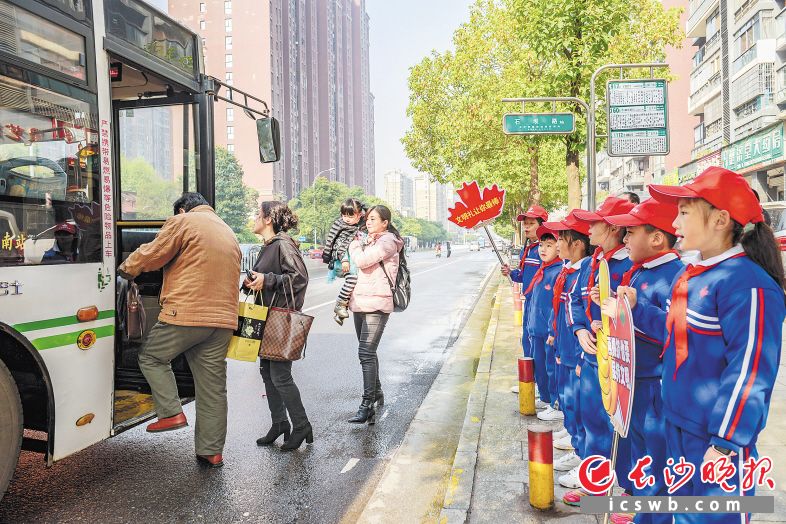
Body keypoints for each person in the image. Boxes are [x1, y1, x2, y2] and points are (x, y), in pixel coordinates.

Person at [625, 167, 786, 523]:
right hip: (678, 425)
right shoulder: (694, 274)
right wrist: (636, 308)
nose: (675, 222)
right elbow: (674, 335)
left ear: (721, 220)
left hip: (714, 441)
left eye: (684, 212)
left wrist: (725, 443)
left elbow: (750, 371)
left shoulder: (747, 285)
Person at [117, 192, 241, 469]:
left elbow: (153, 253)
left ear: (183, 209)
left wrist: (124, 270)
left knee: (151, 357)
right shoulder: (227, 230)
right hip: (222, 322)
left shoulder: (184, 221)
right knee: (212, 389)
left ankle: (171, 413)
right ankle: (212, 451)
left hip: (185, 314)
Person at [600, 199, 684, 524]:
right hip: (633, 384)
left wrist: (637, 310)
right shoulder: (641, 273)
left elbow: (677, 334)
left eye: (630, 232)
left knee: (657, 468)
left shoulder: (675, 277)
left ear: (656, 238)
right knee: (639, 458)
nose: (624, 239)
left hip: (656, 389)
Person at [559, 197, 635, 501]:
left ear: (614, 228)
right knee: (592, 422)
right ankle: (595, 486)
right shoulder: (593, 263)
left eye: (595, 223)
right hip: (592, 357)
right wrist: (579, 329)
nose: (589, 229)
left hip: (620, 361)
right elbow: (576, 301)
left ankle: (627, 494)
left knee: (619, 431)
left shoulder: (629, 265)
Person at [244, 201, 312, 451]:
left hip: (281, 319)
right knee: (267, 373)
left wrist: (267, 279)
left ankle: (301, 425)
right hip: (267, 318)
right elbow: (270, 278)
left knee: (280, 376)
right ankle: (280, 423)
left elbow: (299, 278)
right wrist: (254, 281)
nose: (254, 218)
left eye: (257, 214)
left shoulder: (283, 244)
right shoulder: (270, 246)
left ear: (268, 219)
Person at [540, 211, 593, 482]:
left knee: (582, 409)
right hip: (566, 348)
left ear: (578, 243)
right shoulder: (569, 270)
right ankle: (577, 446)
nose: (557, 244)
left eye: (562, 238)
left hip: (579, 353)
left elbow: (582, 311)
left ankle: (585, 460)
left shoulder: (586, 271)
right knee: (571, 403)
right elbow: (560, 307)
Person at [346, 205, 404, 424]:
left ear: (385, 223)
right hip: (360, 302)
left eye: (373, 219)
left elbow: (361, 261)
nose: (368, 222)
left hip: (377, 304)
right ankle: (377, 391)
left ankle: (367, 404)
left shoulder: (388, 242)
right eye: (367, 219)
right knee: (368, 352)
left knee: (365, 353)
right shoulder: (369, 241)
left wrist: (353, 245)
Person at [502, 205, 549, 394]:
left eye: (531, 223)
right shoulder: (527, 249)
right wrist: (511, 273)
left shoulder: (545, 249)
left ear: (542, 225)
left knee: (539, 343)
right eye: (525, 224)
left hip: (541, 305)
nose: (526, 227)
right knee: (527, 341)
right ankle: (529, 381)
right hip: (529, 301)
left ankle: (541, 385)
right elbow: (524, 274)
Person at [523, 226, 562, 413]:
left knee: (551, 369)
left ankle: (555, 403)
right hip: (536, 330)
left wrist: (553, 331)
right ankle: (546, 398)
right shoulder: (543, 269)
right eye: (541, 245)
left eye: (549, 245)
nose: (543, 249)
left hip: (548, 333)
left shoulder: (559, 272)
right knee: (540, 367)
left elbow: (556, 307)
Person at [322, 198, 367, 325]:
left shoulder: (359, 225)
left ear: (359, 215)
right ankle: (340, 305)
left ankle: (340, 314)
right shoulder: (340, 225)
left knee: (356, 283)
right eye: (344, 215)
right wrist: (344, 260)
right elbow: (337, 244)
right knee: (352, 279)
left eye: (350, 216)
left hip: (353, 259)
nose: (346, 218)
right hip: (342, 259)